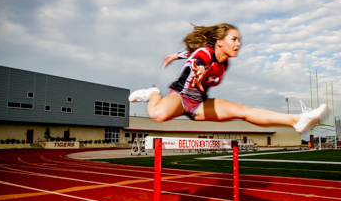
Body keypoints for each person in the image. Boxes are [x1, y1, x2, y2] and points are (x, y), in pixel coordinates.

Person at [129, 23, 326, 133]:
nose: (238, 43)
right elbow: (199, 58)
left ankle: (297, 120)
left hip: (199, 104)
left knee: (243, 111)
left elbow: (189, 54)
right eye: (234, 39)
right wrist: (200, 70)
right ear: (220, 42)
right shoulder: (206, 53)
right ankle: (153, 93)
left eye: (239, 40)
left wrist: (175, 55)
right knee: (158, 115)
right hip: (180, 96)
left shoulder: (225, 62)